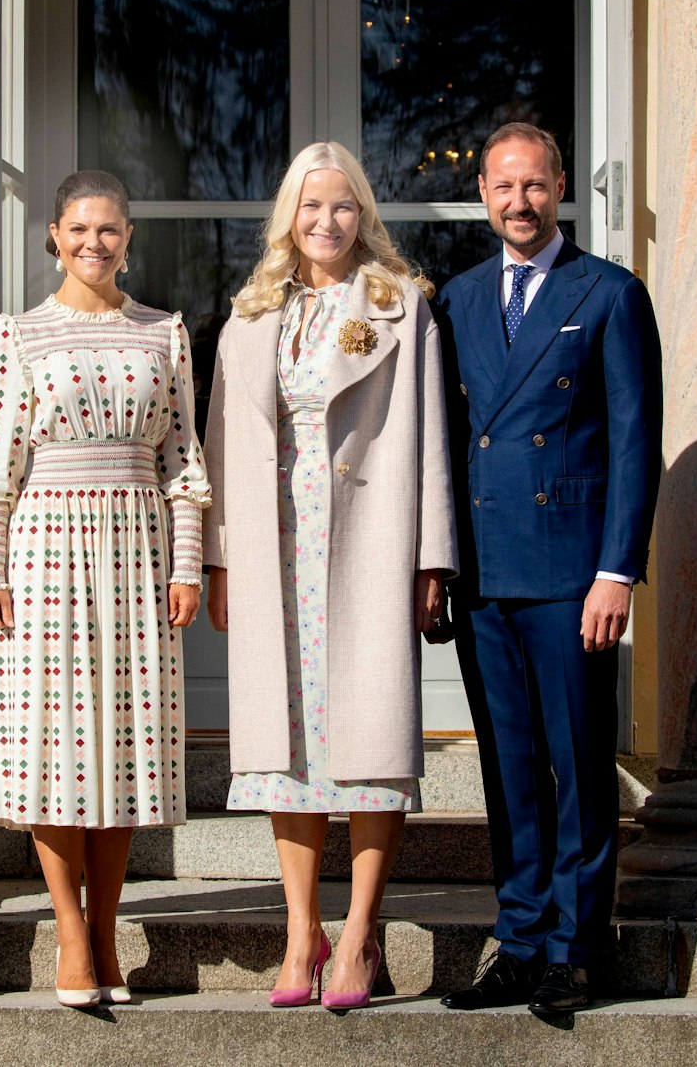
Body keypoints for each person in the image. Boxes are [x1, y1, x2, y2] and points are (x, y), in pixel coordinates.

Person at [203, 141, 455, 1012]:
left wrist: (431, 556)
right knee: (288, 743)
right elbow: (220, 444)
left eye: (343, 205)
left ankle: (358, 933)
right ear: (289, 216)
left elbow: (430, 433)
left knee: (372, 731)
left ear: (363, 215)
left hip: (369, 538)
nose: (327, 221)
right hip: (273, 545)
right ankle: (300, 928)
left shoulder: (400, 306)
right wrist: (219, 556)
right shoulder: (249, 317)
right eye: (311, 206)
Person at [433, 122, 662, 1016]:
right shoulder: (457, 299)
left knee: (578, 764)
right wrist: (437, 564)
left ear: (560, 186)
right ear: (483, 195)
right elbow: (445, 445)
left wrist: (617, 570)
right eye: (503, 186)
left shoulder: (609, 292)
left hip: (572, 574)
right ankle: (521, 938)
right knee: (510, 769)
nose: (519, 202)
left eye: (534, 184)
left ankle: (575, 945)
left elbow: (635, 443)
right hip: (485, 573)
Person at [0, 170, 209, 1008]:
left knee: (124, 741)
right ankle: (71, 933)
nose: (93, 243)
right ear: (54, 235)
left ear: (128, 237)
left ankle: (107, 930)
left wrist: (186, 564)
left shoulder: (164, 331)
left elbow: (183, 457)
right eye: (78, 229)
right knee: (54, 741)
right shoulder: (17, 333)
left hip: (138, 550)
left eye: (108, 229)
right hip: (45, 552)